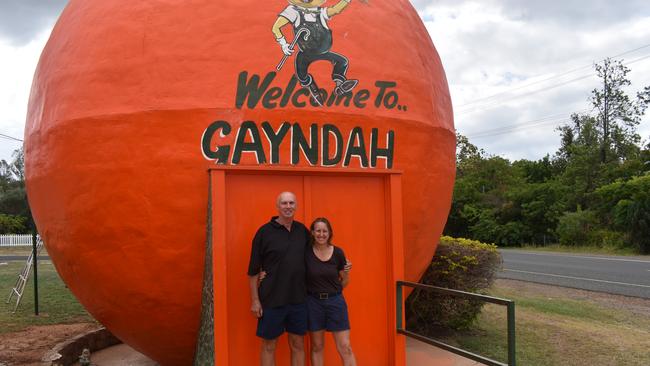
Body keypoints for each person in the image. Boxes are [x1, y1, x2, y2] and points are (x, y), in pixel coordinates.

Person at [248, 191, 310, 366]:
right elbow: (253, 270)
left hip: (298, 299)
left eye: (291, 203)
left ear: (296, 206)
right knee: (269, 345)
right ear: (277, 206)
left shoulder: (302, 231)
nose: (288, 207)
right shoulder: (264, 232)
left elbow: (317, 253)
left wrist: (339, 262)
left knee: (298, 344)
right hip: (271, 299)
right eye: (284, 203)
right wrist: (255, 300)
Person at [272, 0, 364, 106]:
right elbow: (276, 27)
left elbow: (336, 10)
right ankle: (311, 86)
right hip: (305, 53)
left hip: (323, 51)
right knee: (301, 75)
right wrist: (284, 44)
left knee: (342, 62)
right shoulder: (293, 11)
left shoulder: (320, 12)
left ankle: (340, 85)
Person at [306, 217, 356, 366]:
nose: (321, 234)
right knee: (317, 347)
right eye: (318, 231)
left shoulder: (338, 253)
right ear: (313, 233)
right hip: (313, 303)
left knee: (345, 347)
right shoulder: (306, 253)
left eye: (324, 231)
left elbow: (345, 281)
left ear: (329, 233)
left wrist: (343, 278)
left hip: (335, 302)